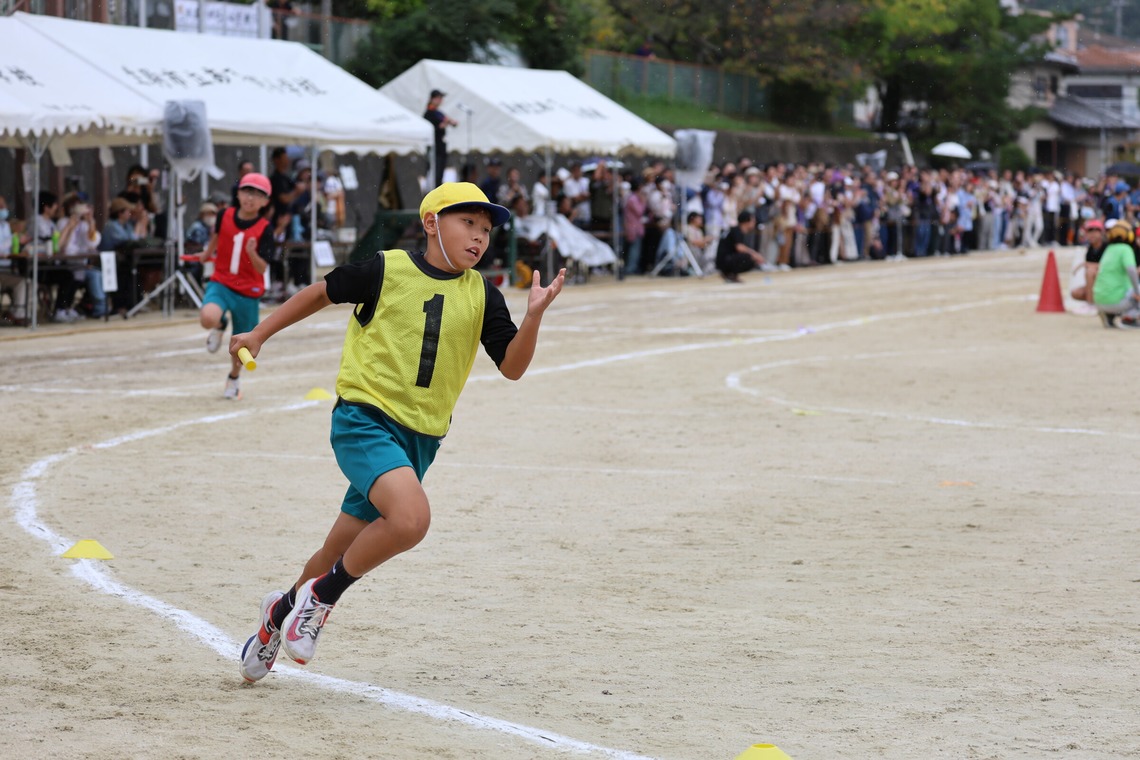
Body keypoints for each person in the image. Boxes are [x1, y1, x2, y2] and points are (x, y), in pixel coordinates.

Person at [230, 182, 566, 683]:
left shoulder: (483, 294)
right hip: (363, 419)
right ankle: (321, 598)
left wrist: (533, 318)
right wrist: (259, 333)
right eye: (467, 223)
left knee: (335, 551)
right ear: (432, 223)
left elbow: (512, 367)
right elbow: (320, 292)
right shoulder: (387, 268)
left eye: (486, 230)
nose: (479, 238)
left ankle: (276, 616)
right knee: (410, 520)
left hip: (420, 440)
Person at [189, 172, 274, 399]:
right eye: (247, 191)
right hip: (222, 282)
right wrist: (206, 254)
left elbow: (262, 268)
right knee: (207, 317)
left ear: (265, 202)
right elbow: (216, 236)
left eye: (258, 195)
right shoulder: (224, 214)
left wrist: (251, 253)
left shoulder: (265, 228)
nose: (250, 198)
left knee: (242, 345)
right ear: (238, 193)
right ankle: (220, 323)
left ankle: (234, 378)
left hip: (248, 291)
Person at [1093, 220, 1140, 328]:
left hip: (1099, 301)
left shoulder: (1109, 249)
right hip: (1116, 301)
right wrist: (1137, 292)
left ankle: (1109, 316)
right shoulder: (1126, 249)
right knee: (1135, 291)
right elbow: (1131, 271)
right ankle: (1128, 318)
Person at [0, 195, 29, 326]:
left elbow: (8, 249)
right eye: (0, 207)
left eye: (3, 206)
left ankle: (18, 314)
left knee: (22, 282)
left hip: (5, 270)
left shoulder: (6, 226)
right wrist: (13, 238)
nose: (3, 209)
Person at [423, 89, 458, 188]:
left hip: (441, 147)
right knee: (435, 172)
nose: (440, 100)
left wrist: (450, 122)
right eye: (438, 98)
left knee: (440, 172)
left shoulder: (438, 113)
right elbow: (432, 129)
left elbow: (450, 122)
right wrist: (443, 124)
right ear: (432, 99)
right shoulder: (429, 113)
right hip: (434, 148)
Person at [1070, 219, 1105, 304]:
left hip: (1106, 283)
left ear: (1101, 233)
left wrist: (1085, 264)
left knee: (1091, 272)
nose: (1092, 234)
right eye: (1089, 231)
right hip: (1096, 284)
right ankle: (1095, 301)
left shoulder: (1106, 247)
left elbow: (1107, 266)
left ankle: (1090, 304)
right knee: (1076, 293)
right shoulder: (1090, 250)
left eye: (1095, 231)